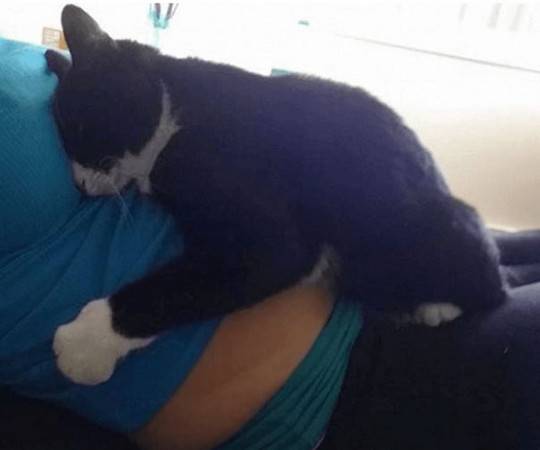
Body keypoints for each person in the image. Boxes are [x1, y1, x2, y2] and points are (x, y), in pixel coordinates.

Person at [1, 38, 540, 450]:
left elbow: (274, 255)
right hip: (360, 376)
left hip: (402, 285)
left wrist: (120, 322)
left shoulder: (187, 135)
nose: (85, 182)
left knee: (476, 257)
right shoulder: (180, 123)